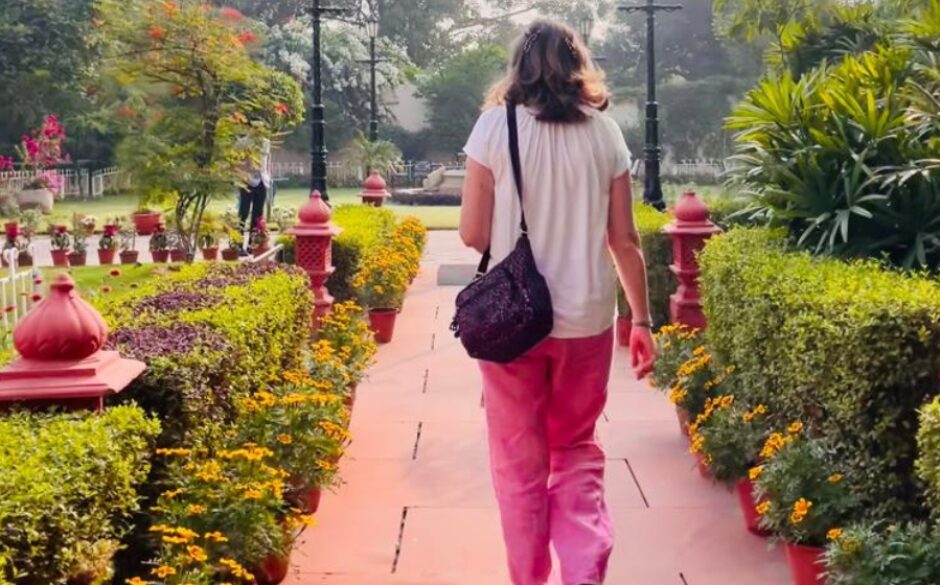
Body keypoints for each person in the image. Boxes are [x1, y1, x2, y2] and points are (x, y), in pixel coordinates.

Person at [458, 19, 657, 585]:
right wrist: (642, 320)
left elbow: (473, 235)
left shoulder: (493, 127)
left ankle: (528, 578)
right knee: (575, 450)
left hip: (510, 325)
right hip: (588, 322)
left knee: (519, 466)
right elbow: (624, 240)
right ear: (578, 68)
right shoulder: (604, 133)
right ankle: (585, 568)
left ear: (517, 67)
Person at [237, 137, 272, 253]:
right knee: (243, 212)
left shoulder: (266, 142)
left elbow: (267, 161)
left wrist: (268, 176)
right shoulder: (242, 142)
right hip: (247, 180)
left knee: (258, 215)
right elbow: (238, 162)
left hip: (262, 181)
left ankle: (253, 244)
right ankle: (238, 244)